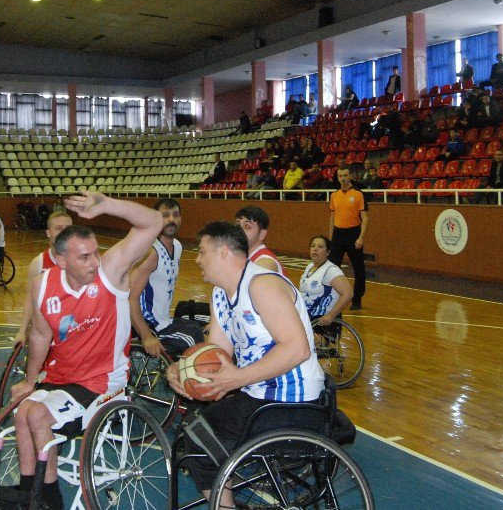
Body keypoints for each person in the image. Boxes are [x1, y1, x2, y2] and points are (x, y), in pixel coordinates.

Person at [11, 193, 163, 510]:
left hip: (103, 382)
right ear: (61, 260)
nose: (94, 262)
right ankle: (29, 492)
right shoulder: (43, 284)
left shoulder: (110, 273)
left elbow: (153, 222)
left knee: (38, 414)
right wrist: (30, 379)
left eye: (95, 253)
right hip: (61, 378)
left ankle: (48, 499)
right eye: (84, 257)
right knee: (22, 413)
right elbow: (39, 335)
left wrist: (107, 205)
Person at [165, 221, 326, 507]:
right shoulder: (219, 294)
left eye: (202, 251)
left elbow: (297, 348)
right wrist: (182, 369)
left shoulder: (262, 284)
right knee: (193, 429)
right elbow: (215, 354)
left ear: (224, 252)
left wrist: (237, 378)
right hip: (258, 398)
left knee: (198, 435)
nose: (197, 258)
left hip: (292, 404)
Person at [129, 199, 203, 358]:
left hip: (163, 320)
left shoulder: (177, 246)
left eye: (175, 215)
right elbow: (131, 298)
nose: (171, 220)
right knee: (192, 340)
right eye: (165, 216)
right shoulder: (151, 253)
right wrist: (146, 336)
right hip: (148, 325)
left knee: (195, 327)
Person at [14, 210, 74, 346]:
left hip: (75, 329)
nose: (64, 232)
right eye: (58, 228)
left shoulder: (84, 260)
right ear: (48, 233)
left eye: (68, 229)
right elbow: (30, 300)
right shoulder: (39, 263)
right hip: (47, 330)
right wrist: (22, 331)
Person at [328, 168, 368, 310]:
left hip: (353, 234)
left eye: (345, 175)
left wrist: (361, 237)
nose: (343, 178)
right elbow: (332, 218)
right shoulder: (334, 195)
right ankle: (333, 296)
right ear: (337, 177)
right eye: (340, 176)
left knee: (358, 268)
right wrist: (331, 238)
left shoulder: (358, 194)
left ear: (350, 176)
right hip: (338, 234)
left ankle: (357, 299)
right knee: (332, 268)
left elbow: (365, 217)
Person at [300, 235, 354, 327]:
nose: (315, 249)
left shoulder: (331, 270)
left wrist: (331, 315)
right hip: (304, 315)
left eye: (320, 247)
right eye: (313, 246)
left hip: (319, 319)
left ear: (327, 252)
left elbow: (348, 294)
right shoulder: (309, 267)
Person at [235, 205, 284, 275]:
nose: (239, 229)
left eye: (247, 226)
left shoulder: (265, 263)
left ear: (262, 234)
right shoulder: (242, 258)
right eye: (237, 225)